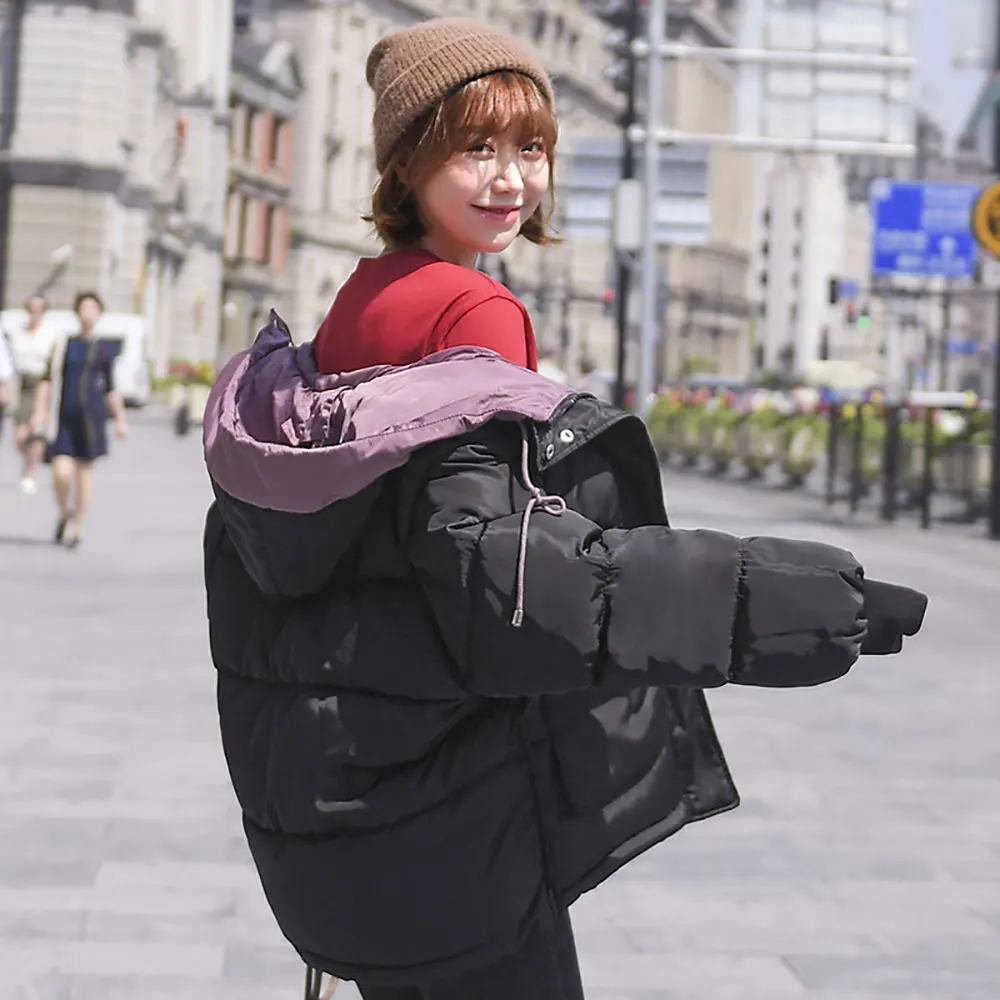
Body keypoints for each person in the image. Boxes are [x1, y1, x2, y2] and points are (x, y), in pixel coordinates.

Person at [202, 18, 928, 1000]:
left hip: (344, 794)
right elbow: (516, 575)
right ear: (406, 160)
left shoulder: (358, 299)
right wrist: (795, 601)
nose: (510, 178)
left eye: (531, 148)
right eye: (476, 147)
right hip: (453, 819)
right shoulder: (477, 314)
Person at [30, 291, 128, 547]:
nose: (88, 314)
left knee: (84, 472)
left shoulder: (104, 348)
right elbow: (47, 380)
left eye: (93, 309)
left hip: (91, 419)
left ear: (99, 314)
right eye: (84, 308)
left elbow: (110, 387)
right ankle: (65, 513)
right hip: (63, 417)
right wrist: (40, 411)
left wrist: (120, 418)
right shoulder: (65, 345)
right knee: (61, 473)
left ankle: (78, 524)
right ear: (77, 312)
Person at [4, 294, 57, 493]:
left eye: (39, 310)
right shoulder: (17, 333)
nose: (35, 314)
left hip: (41, 382)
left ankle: (29, 472)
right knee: (20, 434)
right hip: (21, 382)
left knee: (34, 430)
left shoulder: (50, 334)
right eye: (31, 310)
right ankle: (29, 459)